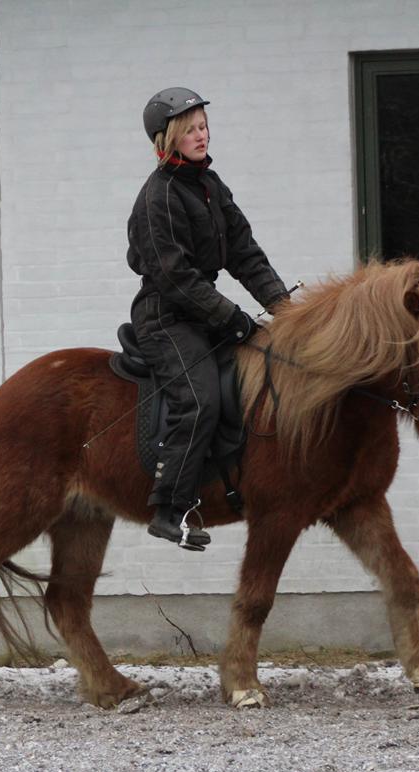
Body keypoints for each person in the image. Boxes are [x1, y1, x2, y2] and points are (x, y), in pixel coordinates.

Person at [126, 87, 289, 551]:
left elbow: (245, 254)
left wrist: (287, 312)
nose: (202, 134)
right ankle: (171, 507)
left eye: (204, 126)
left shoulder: (210, 186)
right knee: (199, 399)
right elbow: (175, 277)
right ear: (169, 137)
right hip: (166, 317)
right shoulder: (157, 197)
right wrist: (234, 318)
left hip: (203, 313)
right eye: (192, 128)